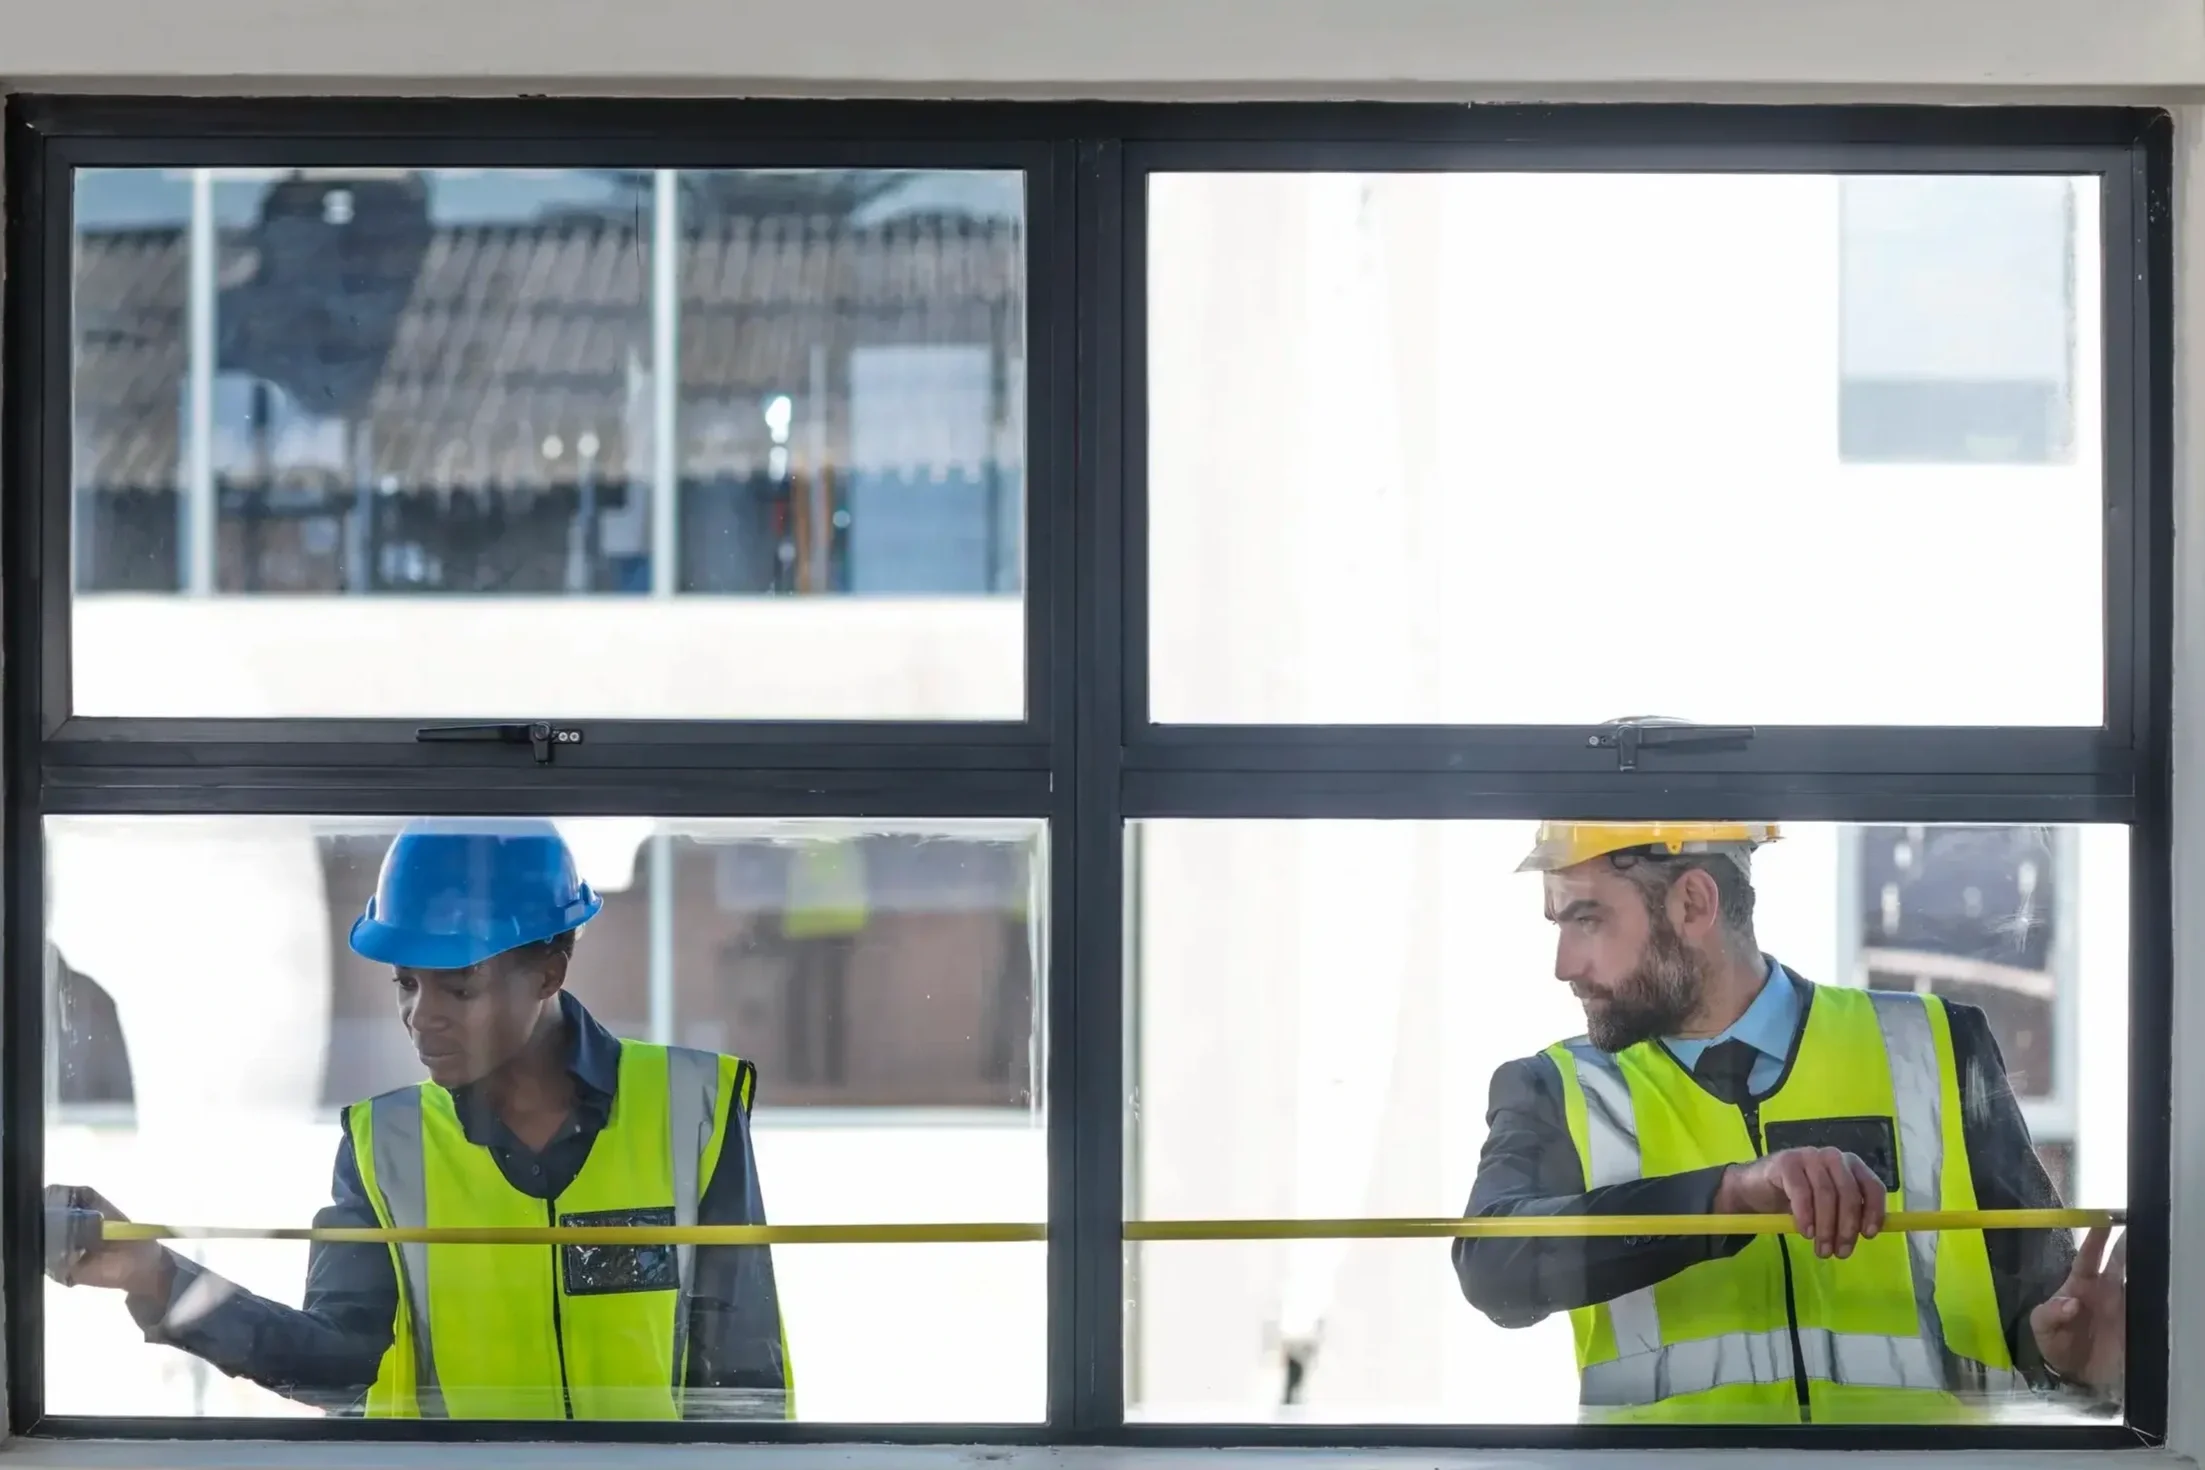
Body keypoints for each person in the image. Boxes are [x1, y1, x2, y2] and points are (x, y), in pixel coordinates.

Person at [47, 818, 792, 1421]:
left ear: (549, 972)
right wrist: (152, 1272)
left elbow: (743, 1375)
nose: (419, 1017)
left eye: (456, 988)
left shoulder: (692, 1106)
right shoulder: (385, 1146)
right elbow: (334, 1363)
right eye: (405, 984)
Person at [1454, 821, 2125, 1423]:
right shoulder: (1554, 1088)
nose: (1564, 965)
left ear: (1692, 904)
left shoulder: (1936, 1045)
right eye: (1559, 924)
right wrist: (1727, 1198)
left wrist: (2066, 1356)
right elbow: (1493, 1271)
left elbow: (2040, 1318)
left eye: (1588, 920)